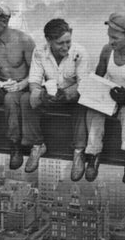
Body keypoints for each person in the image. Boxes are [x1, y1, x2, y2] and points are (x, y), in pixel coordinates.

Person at [85, 13, 125, 184]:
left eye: (115, 38)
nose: (111, 41)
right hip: (109, 96)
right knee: (95, 113)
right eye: (109, 37)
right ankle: (93, 153)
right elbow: (98, 76)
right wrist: (93, 91)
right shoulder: (107, 50)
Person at [25, 17, 89, 178]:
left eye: (68, 42)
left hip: (72, 96)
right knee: (27, 99)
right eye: (60, 43)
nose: (66, 47)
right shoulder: (40, 52)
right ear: (48, 40)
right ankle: (37, 144)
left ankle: (78, 152)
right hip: (51, 95)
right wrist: (41, 94)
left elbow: (84, 84)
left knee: (83, 104)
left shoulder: (80, 52)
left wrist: (68, 94)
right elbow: (34, 80)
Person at [0, 3, 36, 169]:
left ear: (4, 22)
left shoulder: (24, 40)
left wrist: (20, 85)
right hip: (2, 83)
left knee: (11, 99)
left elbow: (36, 73)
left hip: (22, 87)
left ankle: (14, 145)